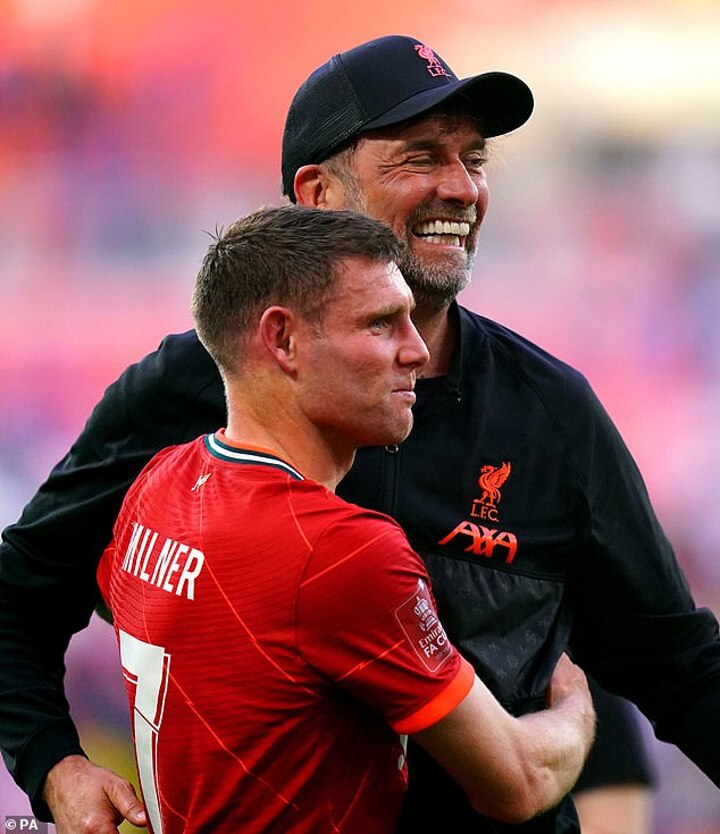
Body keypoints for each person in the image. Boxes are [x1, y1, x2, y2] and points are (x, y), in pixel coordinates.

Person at [1, 33, 718, 834]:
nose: (461, 187)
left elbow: (679, 664)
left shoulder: (550, 411)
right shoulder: (193, 387)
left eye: (474, 159)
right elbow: (20, 590)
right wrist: (53, 768)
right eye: (419, 158)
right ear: (317, 193)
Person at [95, 203, 595, 834]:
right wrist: (577, 707)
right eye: (381, 323)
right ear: (283, 340)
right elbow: (517, 782)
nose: (417, 351)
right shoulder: (340, 550)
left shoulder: (160, 483)